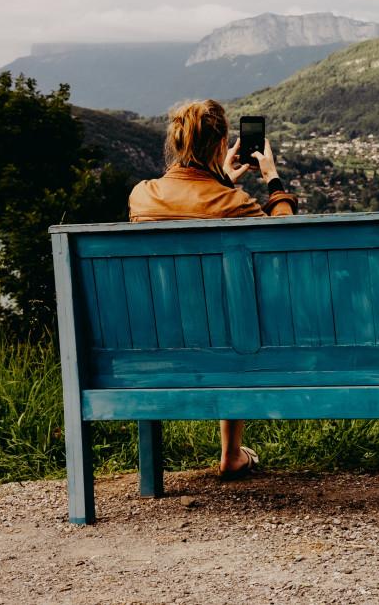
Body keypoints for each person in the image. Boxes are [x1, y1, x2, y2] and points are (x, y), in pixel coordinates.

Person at [128, 99, 297, 479]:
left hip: (153, 346)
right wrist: (272, 178)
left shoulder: (142, 196)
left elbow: (188, 205)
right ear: (222, 145)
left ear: (176, 142)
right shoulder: (233, 203)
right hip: (229, 348)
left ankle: (214, 457)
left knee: (213, 314)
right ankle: (231, 454)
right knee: (231, 319)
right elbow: (285, 240)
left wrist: (219, 180)